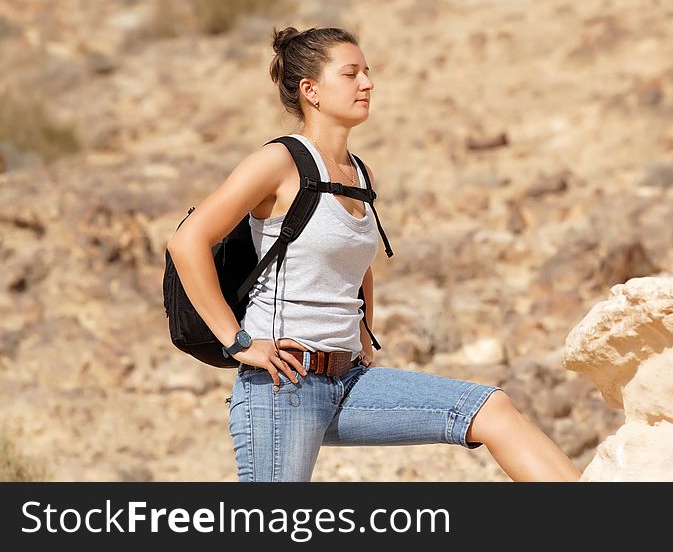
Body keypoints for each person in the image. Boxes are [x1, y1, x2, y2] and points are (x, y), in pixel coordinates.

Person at [166, 26, 581, 482]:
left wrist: (364, 335)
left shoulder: (356, 171)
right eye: (351, 74)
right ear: (312, 91)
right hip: (283, 387)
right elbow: (187, 242)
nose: (367, 83)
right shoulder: (278, 162)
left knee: (491, 410)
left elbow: (356, 261)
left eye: (367, 72)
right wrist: (237, 341)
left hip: (349, 380)